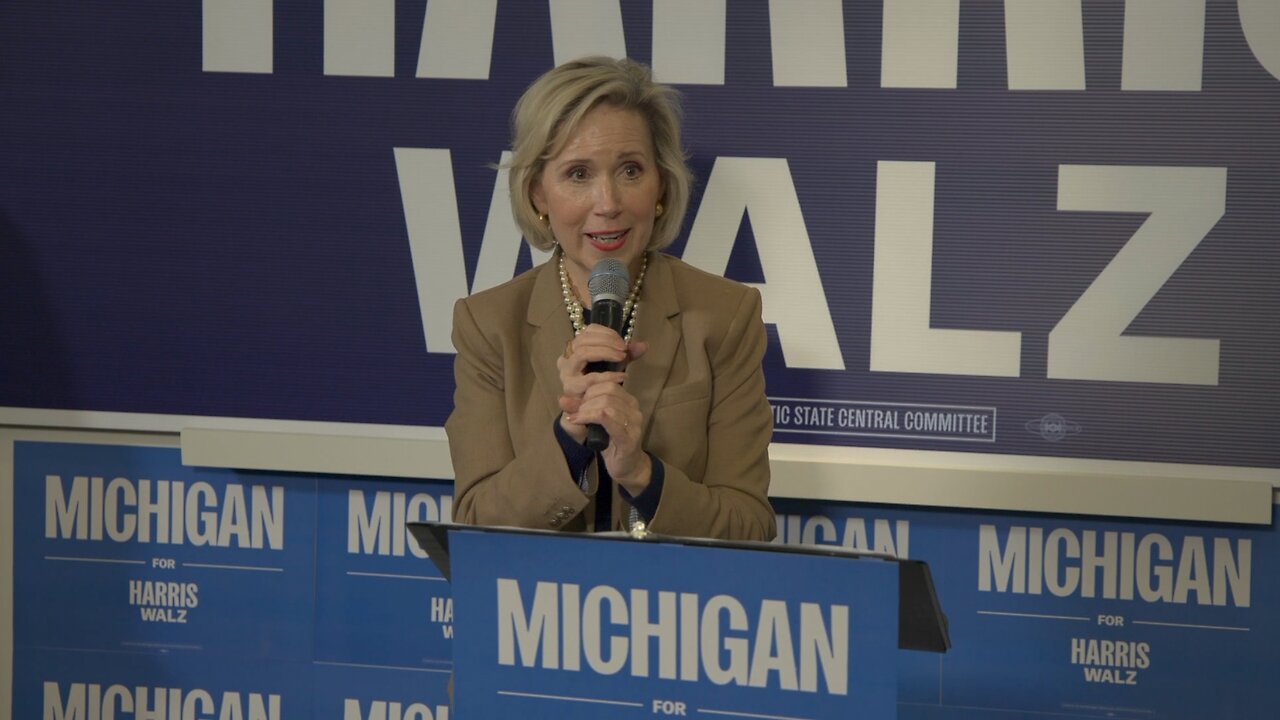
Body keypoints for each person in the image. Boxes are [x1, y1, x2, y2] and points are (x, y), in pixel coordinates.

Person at [445, 57, 774, 541]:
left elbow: (750, 526)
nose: (608, 203)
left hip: (675, 605)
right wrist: (568, 438)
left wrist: (641, 473)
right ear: (538, 193)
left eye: (630, 170)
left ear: (660, 184)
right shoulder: (488, 324)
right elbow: (475, 522)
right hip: (538, 607)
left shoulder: (724, 317)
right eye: (578, 174)